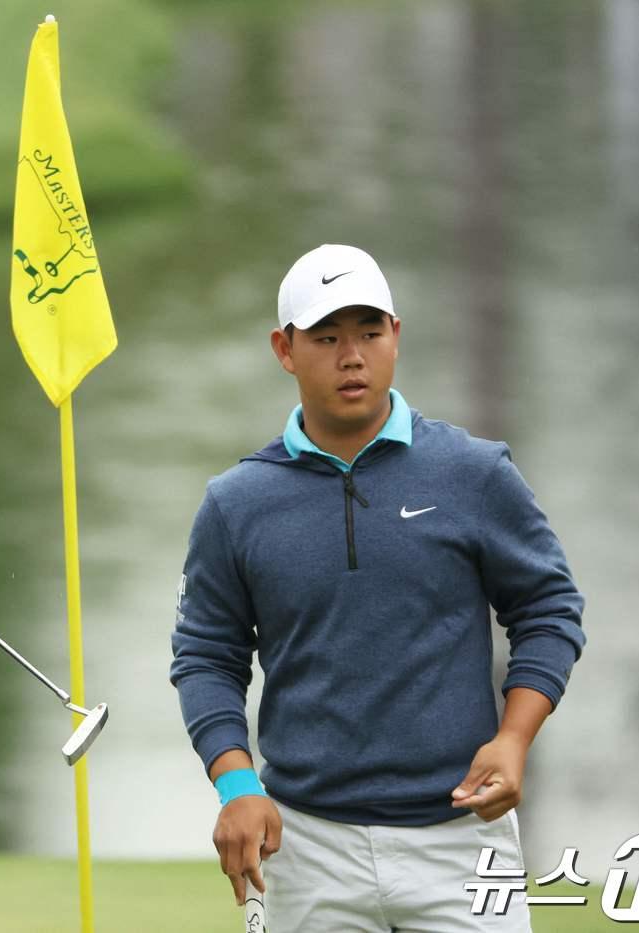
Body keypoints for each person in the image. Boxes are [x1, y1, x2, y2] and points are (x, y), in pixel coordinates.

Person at [169, 244, 585, 931]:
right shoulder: (237, 503)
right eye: (327, 337)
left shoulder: (472, 474)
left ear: (396, 335)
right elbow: (207, 655)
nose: (352, 355)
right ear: (285, 348)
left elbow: (548, 607)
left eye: (369, 331)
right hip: (305, 843)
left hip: (460, 831)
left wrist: (515, 736)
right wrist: (237, 782)